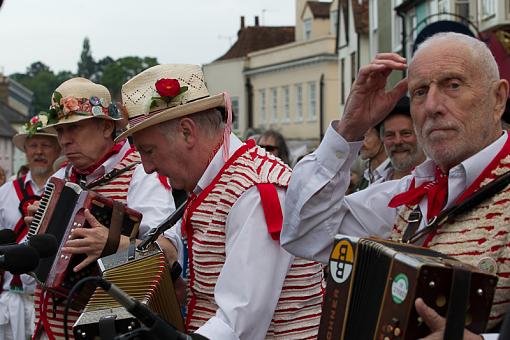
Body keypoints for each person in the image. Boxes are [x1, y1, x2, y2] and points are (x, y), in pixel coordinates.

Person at [281, 32, 509, 339]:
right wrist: (350, 129)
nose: (432, 106)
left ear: (498, 99)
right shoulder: (409, 194)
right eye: (419, 92)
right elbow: (304, 233)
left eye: (453, 85)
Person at [117, 64, 324, 339]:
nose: (147, 167)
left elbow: (238, 323)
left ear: (187, 132)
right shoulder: (217, 182)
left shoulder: (254, 190)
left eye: (149, 150)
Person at [31, 77, 178, 340]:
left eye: (74, 128)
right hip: (48, 327)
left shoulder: (140, 173)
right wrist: (39, 226)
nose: (64, 141)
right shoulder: (64, 175)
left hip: (110, 328)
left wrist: (114, 245)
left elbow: (167, 254)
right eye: (60, 131)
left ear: (106, 127)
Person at [0, 113, 61, 340]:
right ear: (25, 151)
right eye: (33, 145)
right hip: (9, 301)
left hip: (50, 300)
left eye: (46, 145)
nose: (39, 152)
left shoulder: (66, 193)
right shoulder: (5, 192)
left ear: (58, 150)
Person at [378, 96, 426, 181]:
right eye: (390, 135)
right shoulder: (376, 187)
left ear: (422, 135)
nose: (397, 141)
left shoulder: (442, 183)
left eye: (406, 133)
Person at [354, 125, 387, 190]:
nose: (360, 143)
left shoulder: (394, 174)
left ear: (382, 136)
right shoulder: (366, 175)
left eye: (365, 136)